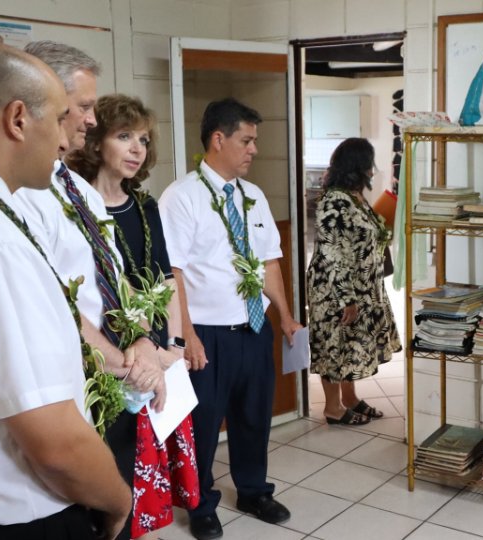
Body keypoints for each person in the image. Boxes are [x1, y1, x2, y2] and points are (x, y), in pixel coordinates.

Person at [0, 44, 131, 539]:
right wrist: (116, 500)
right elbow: (56, 446)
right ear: (18, 119)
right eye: (65, 115)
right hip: (9, 516)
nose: (69, 139)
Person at [11, 41, 181, 540]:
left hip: (119, 381)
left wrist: (148, 342)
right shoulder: (21, 194)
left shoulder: (77, 190)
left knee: (121, 507)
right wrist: (128, 361)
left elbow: (120, 280)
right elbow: (53, 301)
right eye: (83, 107)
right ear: (44, 104)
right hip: (81, 384)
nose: (90, 120)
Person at [159, 98, 302, 540]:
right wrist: (188, 336)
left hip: (255, 328)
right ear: (218, 140)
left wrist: (286, 317)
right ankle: (200, 503)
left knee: (254, 416)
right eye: (247, 140)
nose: (253, 149)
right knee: (203, 425)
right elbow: (174, 273)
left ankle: (254, 490)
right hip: (210, 335)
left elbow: (270, 264)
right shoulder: (181, 198)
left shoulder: (253, 196)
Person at [66, 93, 200, 540]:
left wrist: (172, 350)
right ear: (96, 139)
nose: (137, 148)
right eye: (124, 136)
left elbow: (165, 280)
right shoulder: (74, 205)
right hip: (100, 357)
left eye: (142, 139)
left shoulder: (145, 208)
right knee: (101, 473)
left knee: (137, 465)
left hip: (151, 354)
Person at [308, 138, 401, 425]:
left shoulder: (354, 196)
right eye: (369, 164)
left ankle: (349, 399)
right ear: (357, 165)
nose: (373, 170)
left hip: (361, 287)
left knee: (350, 346)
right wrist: (346, 299)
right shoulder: (334, 200)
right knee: (334, 345)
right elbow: (333, 253)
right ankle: (332, 408)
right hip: (336, 289)